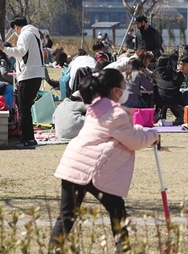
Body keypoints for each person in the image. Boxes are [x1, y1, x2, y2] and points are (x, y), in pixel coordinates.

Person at [49, 68, 159, 251]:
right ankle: (122, 249)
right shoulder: (116, 114)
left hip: (73, 165)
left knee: (66, 216)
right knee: (117, 211)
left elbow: (120, 134)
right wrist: (153, 135)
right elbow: (133, 141)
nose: (126, 90)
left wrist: (138, 129)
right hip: (93, 170)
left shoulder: (97, 107)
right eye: (124, 87)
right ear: (115, 90)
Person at [0, 16, 45, 150]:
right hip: (37, 75)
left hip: (28, 76)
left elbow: (20, 51)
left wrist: (4, 49)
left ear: (16, 26)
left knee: (23, 109)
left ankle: (28, 139)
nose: (15, 32)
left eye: (15, 29)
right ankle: (29, 138)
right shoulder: (35, 34)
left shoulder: (25, 34)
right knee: (26, 108)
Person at [153, 55, 187, 122]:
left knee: (159, 92)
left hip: (161, 99)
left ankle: (160, 116)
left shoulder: (156, 73)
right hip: (176, 99)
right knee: (170, 95)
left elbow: (153, 84)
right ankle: (179, 116)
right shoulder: (175, 73)